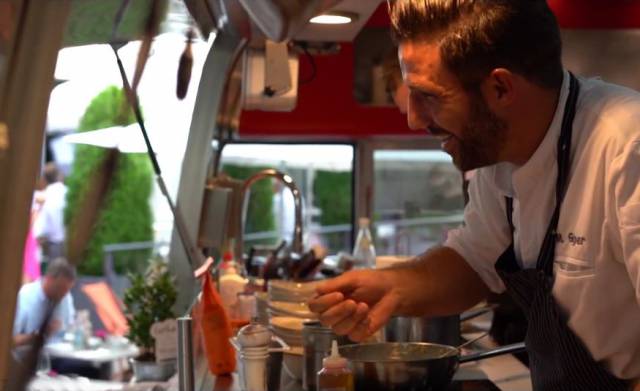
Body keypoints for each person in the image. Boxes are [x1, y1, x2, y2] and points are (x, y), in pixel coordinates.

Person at [309, 1, 640, 389]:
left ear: (501, 88)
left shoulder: (626, 149)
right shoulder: (498, 153)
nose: (413, 119)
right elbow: (475, 259)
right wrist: (393, 287)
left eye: (428, 96)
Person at [13, 257, 76, 347]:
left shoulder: (66, 297)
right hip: (25, 357)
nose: (63, 295)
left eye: (67, 290)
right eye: (61, 288)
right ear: (49, 279)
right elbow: (9, 341)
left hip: (56, 355)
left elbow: (71, 329)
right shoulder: (26, 297)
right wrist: (37, 335)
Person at [32, 162, 67, 264]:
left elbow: (39, 227)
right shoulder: (66, 192)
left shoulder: (43, 196)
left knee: (55, 273)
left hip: (52, 242)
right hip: (67, 240)